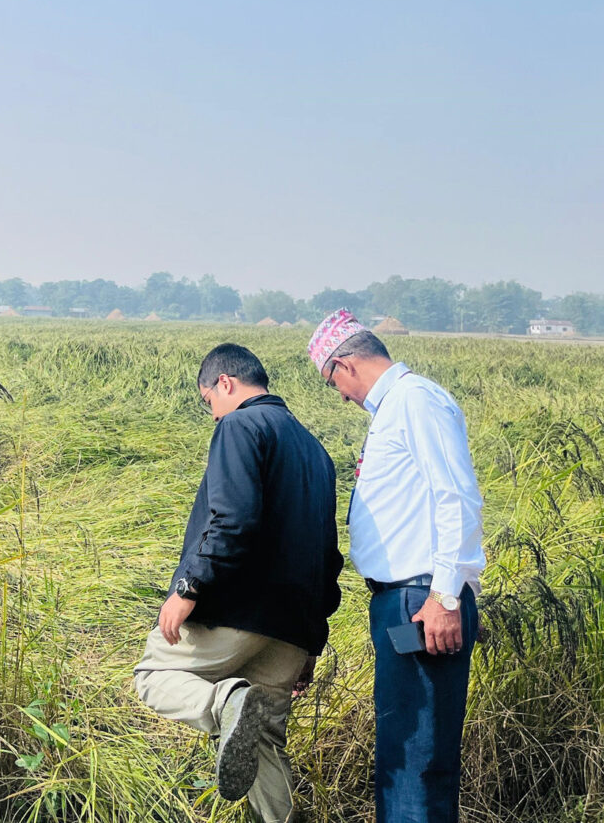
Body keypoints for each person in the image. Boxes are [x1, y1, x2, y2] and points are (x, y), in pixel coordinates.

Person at [133, 343, 342, 823]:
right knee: (264, 740)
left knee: (153, 677)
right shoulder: (316, 451)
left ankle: (224, 701)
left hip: (239, 609)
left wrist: (187, 587)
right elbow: (328, 555)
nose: (212, 415)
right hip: (294, 626)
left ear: (224, 384)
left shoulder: (239, 425)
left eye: (209, 401)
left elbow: (232, 520)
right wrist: (310, 643)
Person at [308, 310, 484, 823]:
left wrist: (446, 596)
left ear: (344, 364)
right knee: (408, 751)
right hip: (407, 600)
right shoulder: (399, 407)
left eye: (332, 381)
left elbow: (456, 496)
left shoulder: (414, 400)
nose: (340, 395)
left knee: (414, 761)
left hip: (420, 600)